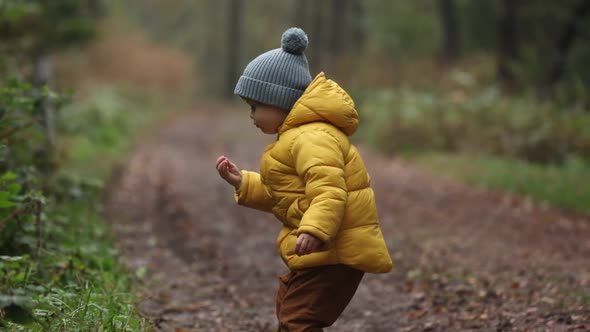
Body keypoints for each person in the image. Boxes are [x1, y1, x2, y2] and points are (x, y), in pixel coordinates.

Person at [215, 27, 392, 332]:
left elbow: (330, 189)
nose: (252, 116)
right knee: (290, 307)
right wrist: (243, 183)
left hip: (336, 247)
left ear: (279, 100)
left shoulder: (312, 138)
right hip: (326, 247)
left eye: (255, 107)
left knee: (298, 318)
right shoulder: (295, 138)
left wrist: (315, 228)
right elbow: (285, 194)